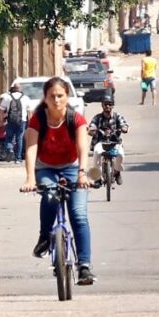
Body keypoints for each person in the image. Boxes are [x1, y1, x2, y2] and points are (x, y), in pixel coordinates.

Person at [19, 77, 95, 286]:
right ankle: (44, 237)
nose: (56, 100)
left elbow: (82, 148)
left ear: (67, 97)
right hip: (46, 167)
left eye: (60, 95)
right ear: (45, 98)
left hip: (72, 168)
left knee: (78, 215)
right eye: (51, 96)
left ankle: (85, 267)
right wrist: (30, 178)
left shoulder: (76, 119)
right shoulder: (38, 119)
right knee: (50, 196)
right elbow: (31, 148)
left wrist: (82, 173)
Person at [88, 96, 129, 186]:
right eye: (105, 104)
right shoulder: (97, 117)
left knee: (121, 155)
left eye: (110, 104)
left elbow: (124, 124)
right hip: (100, 142)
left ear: (113, 105)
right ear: (102, 105)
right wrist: (92, 130)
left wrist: (124, 128)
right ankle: (98, 178)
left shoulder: (117, 116)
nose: (107, 106)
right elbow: (91, 126)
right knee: (96, 153)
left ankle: (117, 172)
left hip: (115, 142)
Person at [0, 83, 28, 163]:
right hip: (22, 121)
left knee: (9, 138)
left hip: (10, 120)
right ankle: (18, 158)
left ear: (13, 88)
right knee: (19, 139)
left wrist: (1, 119)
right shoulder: (25, 98)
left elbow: (1, 109)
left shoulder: (7, 97)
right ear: (20, 89)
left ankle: (10, 149)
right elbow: (30, 111)